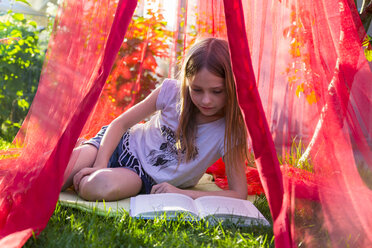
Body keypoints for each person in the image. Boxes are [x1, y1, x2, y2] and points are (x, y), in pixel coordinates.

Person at [62, 37, 249, 201]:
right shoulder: (172, 92)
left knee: (95, 186)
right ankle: (83, 152)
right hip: (118, 144)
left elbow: (238, 193)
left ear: (231, 86)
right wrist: (99, 164)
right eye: (197, 90)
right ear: (187, 82)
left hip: (139, 177)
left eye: (217, 91)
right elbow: (120, 124)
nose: (206, 100)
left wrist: (181, 193)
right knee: (54, 177)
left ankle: (78, 159)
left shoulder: (229, 131)